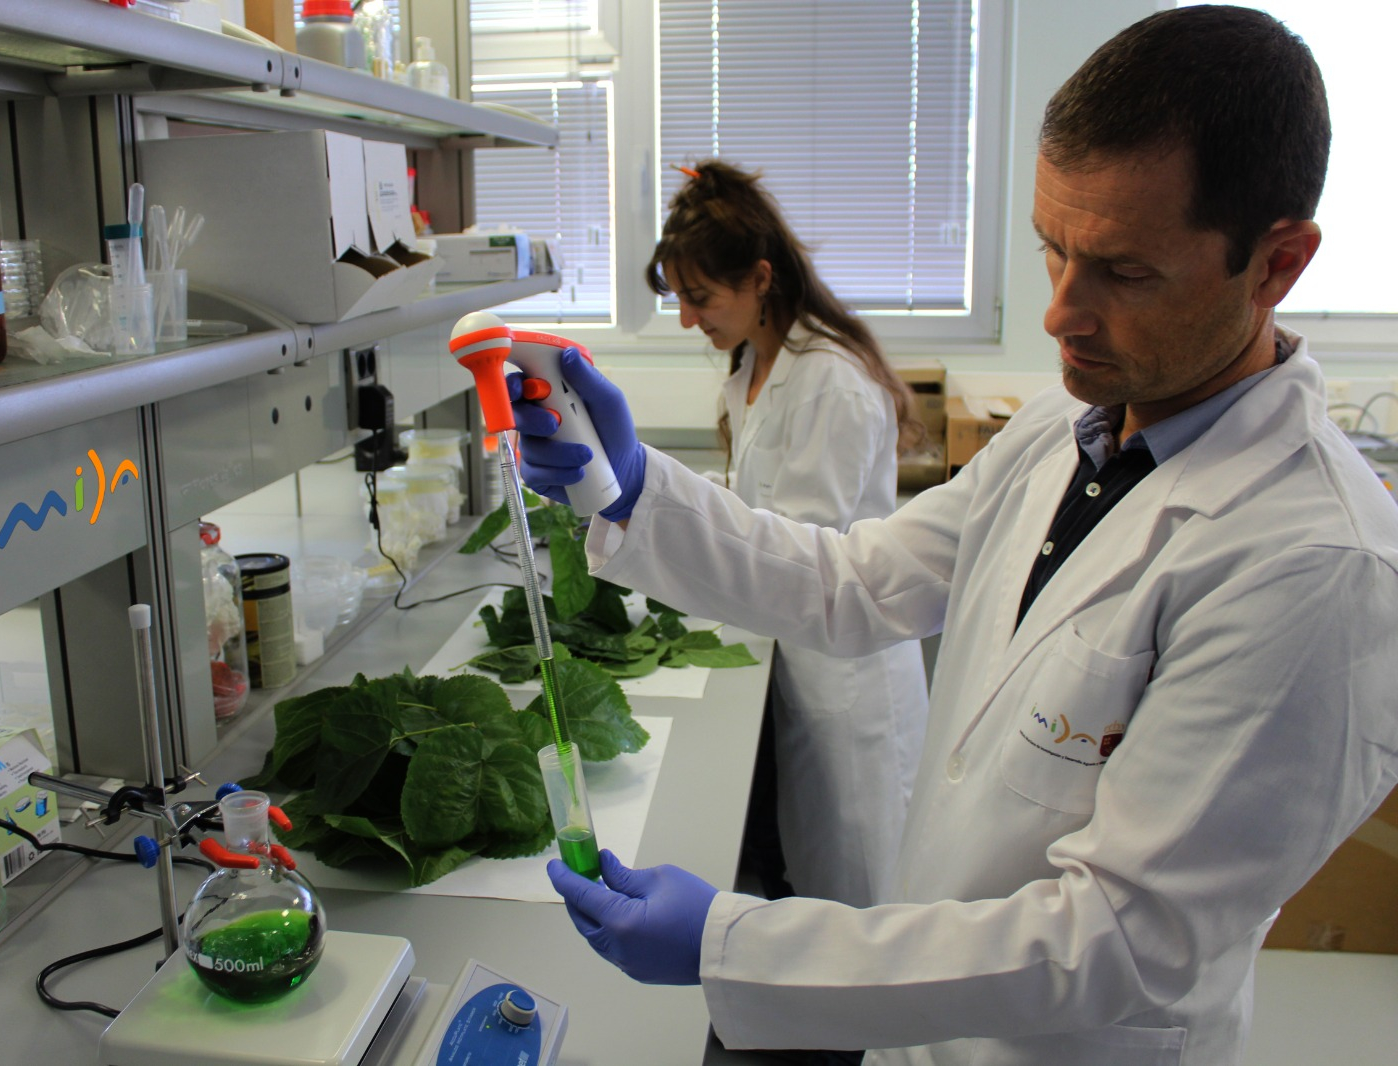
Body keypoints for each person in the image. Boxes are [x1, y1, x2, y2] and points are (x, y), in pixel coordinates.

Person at [517, 6, 1398, 1064]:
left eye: (1122, 272)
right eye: (1050, 251)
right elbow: (851, 581)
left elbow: (1114, 937)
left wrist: (733, 941)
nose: (1058, 315)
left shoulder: (1314, 565)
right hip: (931, 1024)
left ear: (1274, 265)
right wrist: (634, 493)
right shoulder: (1056, 434)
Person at [649, 159, 929, 910]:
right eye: (680, 299)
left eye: (699, 297)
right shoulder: (751, 366)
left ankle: (867, 1028)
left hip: (850, 672)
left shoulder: (831, 380)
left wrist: (678, 532)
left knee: (864, 879)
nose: (687, 319)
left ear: (761, 278)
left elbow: (801, 544)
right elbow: (752, 502)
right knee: (815, 873)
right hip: (797, 658)